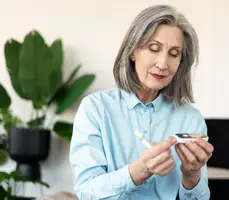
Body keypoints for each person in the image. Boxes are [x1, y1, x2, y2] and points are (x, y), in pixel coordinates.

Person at [69, 4, 214, 200]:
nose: (162, 64)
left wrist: (192, 174)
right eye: (154, 48)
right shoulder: (95, 109)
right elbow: (87, 191)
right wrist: (137, 172)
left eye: (173, 54)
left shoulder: (190, 118)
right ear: (132, 51)